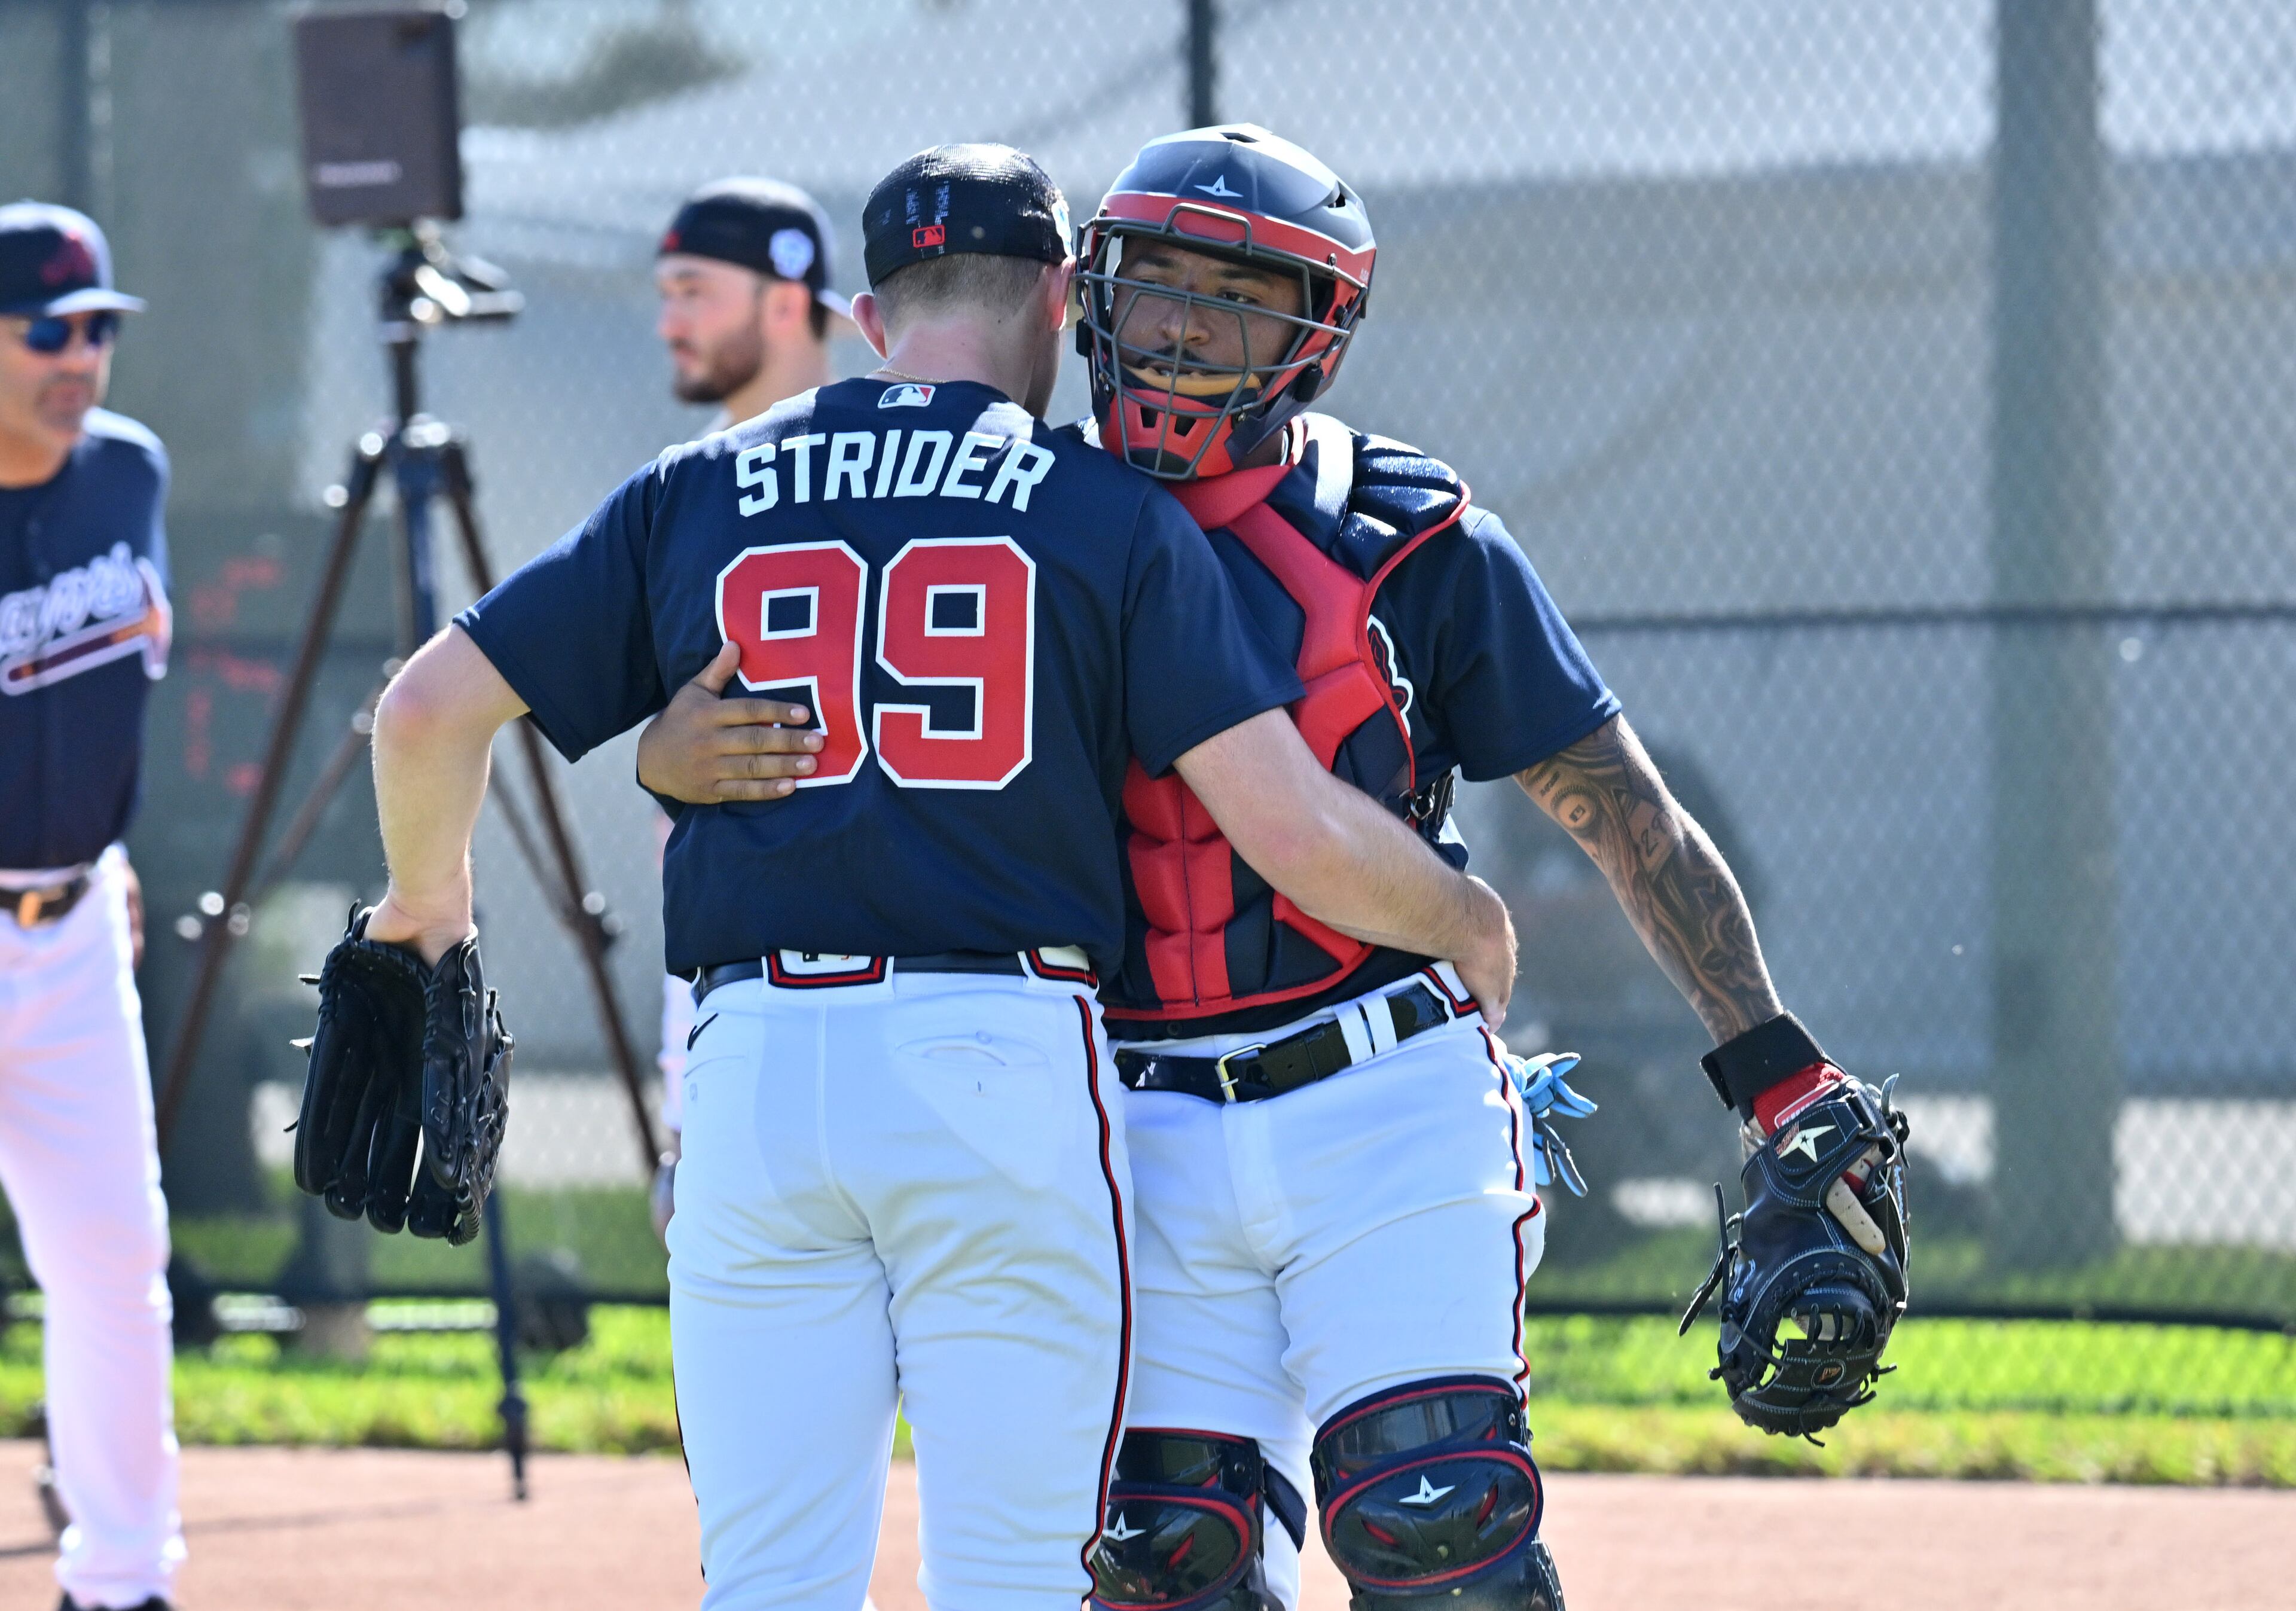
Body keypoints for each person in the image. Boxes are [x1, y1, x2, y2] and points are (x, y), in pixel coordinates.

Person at [641, 126, 1867, 1611]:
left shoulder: (1417, 541)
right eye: (1147, 286)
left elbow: (1626, 815)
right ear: (1081, 296)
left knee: (1444, 1535)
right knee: (1174, 1569)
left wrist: (1778, 1071)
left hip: (1383, 1094)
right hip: (1126, 1119)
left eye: (1232, 301)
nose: (1170, 333)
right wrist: (664, 754)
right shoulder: (1024, 517)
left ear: (1318, 341)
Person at [355, 144, 1515, 1610]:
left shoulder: (699, 486)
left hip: (756, 1072)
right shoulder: (1103, 510)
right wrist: (1463, 917)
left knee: (771, 1580)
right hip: (997, 1060)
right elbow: (1290, 829)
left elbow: (422, 713)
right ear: (1054, 292)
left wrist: (427, 923)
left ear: (865, 313)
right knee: (1021, 1579)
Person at [0, 200, 182, 1611]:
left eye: (98, 331)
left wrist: (102, 859)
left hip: (70, 940)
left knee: (115, 1261)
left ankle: (121, 1580)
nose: (82, 358)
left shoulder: (131, 476)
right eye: (48, 332)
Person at [646, 177, 856, 1239]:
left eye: (693, 289)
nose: (669, 320)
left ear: (787, 298)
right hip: (732, 970)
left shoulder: (863, 480)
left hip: (864, 975)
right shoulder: (690, 492)